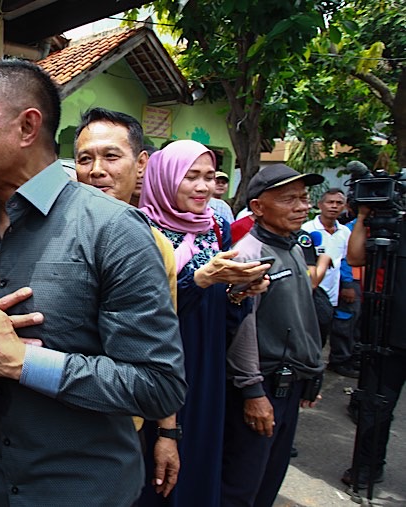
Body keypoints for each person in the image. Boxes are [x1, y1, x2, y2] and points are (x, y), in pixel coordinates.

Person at [0, 58, 187, 507]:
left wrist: (21, 362)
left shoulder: (113, 229)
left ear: (27, 127)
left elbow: (159, 385)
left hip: (82, 492)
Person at [137, 140, 269, 507]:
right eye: (190, 176)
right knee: (156, 477)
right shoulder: (141, 230)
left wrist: (242, 292)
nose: (203, 187)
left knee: (198, 467)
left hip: (206, 370)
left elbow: (223, 314)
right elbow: (143, 313)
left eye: (209, 177)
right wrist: (199, 279)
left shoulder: (216, 229)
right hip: (159, 368)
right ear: (165, 178)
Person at [73, 108, 181, 497]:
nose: (96, 169)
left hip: (120, 428)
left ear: (141, 165)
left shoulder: (156, 247)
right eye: (85, 159)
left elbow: (163, 347)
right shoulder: (49, 235)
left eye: (111, 156)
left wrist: (167, 431)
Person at [222, 164, 325, 507]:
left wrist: (312, 370)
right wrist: (252, 391)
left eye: (303, 198)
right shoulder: (248, 255)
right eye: (288, 199)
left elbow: (303, 315)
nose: (301, 207)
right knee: (242, 485)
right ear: (258, 207)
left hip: (290, 385)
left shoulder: (294, 247)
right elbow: (242, 329)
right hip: (262, 387)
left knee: (270, 480)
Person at [342, 204, 406, 488]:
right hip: (385, 332)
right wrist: (364, 216)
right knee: (375, 405)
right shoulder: (390, 224)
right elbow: (355, 257)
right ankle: (366, 466)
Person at [302, 189, 354, 375]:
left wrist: (347, 284)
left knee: (325, 333)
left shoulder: (345, 232)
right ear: (320, 205)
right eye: (330, 202)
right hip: (310, 292)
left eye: (338, 203)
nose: (334, 206)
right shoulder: (307, 230)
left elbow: (347, 259)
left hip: (331, 293)